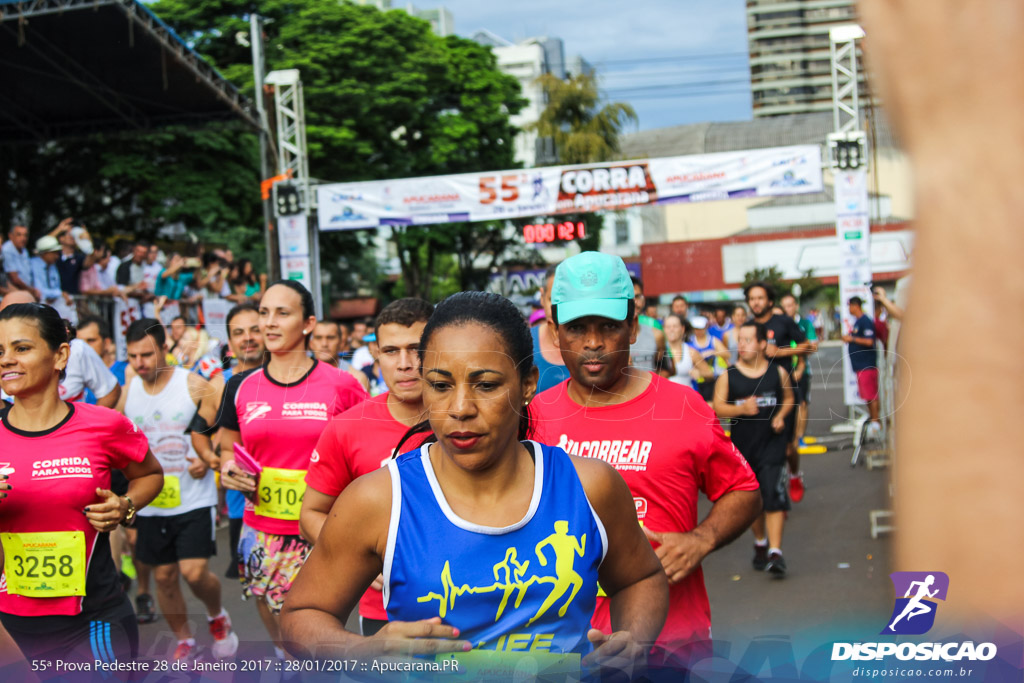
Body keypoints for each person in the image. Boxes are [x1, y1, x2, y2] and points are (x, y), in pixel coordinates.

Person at [281, 291, 668, 678]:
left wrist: (632, 642)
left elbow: (642, 578)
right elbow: (301, 615)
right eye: (440, 385)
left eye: (485, 384)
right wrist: (359, 651)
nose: (460, 408)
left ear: (528, 383)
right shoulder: (380, 500)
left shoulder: (589, 486)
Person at [531, 251, 762, 668]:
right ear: (554, 331)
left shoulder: (682, 406)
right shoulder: (531, 418)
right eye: (577, 328)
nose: (594, 342)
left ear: (634, 327)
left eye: (609, 326)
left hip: (672, 644)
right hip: (560, 648)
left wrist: (701, 539)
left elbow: (743, 489)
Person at [0, 303, 163, 664]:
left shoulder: (104, 425)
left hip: (94, 617)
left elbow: (151, 475)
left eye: (21, 348)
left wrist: (125, 505)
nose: (6, 359)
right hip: (9, 628)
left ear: (60, 355)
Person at [217, 280, 367, 667]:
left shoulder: (343, 386)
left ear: (308, 323)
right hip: (261, 529)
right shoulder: (241, 387)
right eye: (264, 312)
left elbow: (366, 454)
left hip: (322, 531)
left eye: (282, 313)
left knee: (319, 637)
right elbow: (227, 449)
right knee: (284, 638)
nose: (268, 322)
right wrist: (229, 470)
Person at [299, 298, 434, 637]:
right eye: (390, 351)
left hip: (475, 599)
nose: (404, 364)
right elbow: (311, 516)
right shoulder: (346, 428)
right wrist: (362, 556)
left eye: (416, 349)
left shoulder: (468, 418)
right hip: (384, 608)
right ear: (375, 353)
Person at [117, 318, 237, 660]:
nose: (139, 363)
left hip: (194, 496)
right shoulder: (130, 392)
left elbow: (220, 426)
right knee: (165, 578)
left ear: (165, 349)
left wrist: (207, 455)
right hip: (152, 501)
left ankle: (217, 616)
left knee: (193, 571)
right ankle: (185, 639)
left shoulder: (193, 384)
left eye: (147, 354)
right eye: (133, 356)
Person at [713, 322, 795, 577]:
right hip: (744, 448)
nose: (743, 345)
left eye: (749, 340)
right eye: (741, 339)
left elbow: (790, 399)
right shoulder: (729, 376)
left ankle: (776, 552)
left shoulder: (777, 373)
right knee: (755, 501)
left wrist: (781, 415)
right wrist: (740, 410)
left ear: (762, 344)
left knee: (773, 496)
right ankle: (760, 542)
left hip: (772, 444)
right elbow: (717, 408)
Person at [745, 282, 813, 497]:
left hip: (785, 392)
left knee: (788, 447)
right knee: (760, 445)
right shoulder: (748, 328)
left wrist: (780, 352)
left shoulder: (783, 321)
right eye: (752, 298)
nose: (756, 302)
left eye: (760, 298)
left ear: (770, 301)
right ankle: (773, 488)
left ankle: (793, 475)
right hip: (758, 393)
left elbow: (807, 346)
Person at [219, 302, 265, 580]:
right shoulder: (226, 384)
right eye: (239, 332)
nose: (247, 337)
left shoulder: (300, 377)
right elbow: (212, 440)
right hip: (246, 507)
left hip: (306, 509)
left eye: (254, 330)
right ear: (230, 342)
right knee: (259, 591)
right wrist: (223, 464)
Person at [779, 293, 818, 502]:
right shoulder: (776, 325)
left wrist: (801, 361)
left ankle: (799, 437)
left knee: (801, 403)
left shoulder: (804, 323)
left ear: (796, 305)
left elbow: (812, 345)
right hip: (780, 375)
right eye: (784, 305)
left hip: (800, 373)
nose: (788, 308)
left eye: (791, 304)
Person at [841, 296, 880, 438]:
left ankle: (876, 423)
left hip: (867, 365)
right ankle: (874, 421)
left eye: (850, 306)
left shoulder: (865, 321)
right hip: (860, 365)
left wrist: (852, 339)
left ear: (855, 306)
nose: (849, 309)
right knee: (868, 396)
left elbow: (870, 342)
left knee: (872, 395)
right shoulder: (858, 322)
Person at [532, 265, 570, 393]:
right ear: (542, 297)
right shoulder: (524, 343)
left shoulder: (593, 344)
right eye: (553, 299)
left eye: (566, 300)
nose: (558, 308)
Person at [309, 319, 371, 391]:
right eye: (318, 338)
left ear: (341, 342)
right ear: (311, 343)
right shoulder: (298, 376)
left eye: (330, 338)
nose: (324, 344)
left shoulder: (357, 378)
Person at [629, 277, 670, 376]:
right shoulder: (610, 338)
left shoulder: (657, 335)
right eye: (629, 297)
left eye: (638, 297)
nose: (635, 302)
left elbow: (666, 369)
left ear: (643, 300)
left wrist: (650, 385)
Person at [663, 314, 713, 387]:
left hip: (685, 396)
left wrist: (700, 373)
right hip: (664, 397)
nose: (671, 329)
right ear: (664, 329)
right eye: (668, 327)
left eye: (675, 326)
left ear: (682, 329)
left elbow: (710, 374)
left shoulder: (691, 352)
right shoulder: (658, 351)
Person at [687, 316, 729, 402]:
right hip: (695, 380)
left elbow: (727, 354)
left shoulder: (712, 340)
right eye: (696, 329)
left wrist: (712, 352)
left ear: (705, 328)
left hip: (713, 380)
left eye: (701, 329)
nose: (698, 331)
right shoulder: (689, 342)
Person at [29, 236, 73, 309]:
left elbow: (56, 285)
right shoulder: (34, 264)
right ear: (45, 253)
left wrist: (59, 294)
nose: (57, 256)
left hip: (52, 303)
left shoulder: (52, 266)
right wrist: (60, 293)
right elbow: (40, 290)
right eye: (54, 253)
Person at [2, 226, 38, 300]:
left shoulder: (24, 250)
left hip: (26, 290)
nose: (23, 238)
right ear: (10, 236)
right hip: (15, 292)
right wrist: (31, 291)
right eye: (19, 234)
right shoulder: (7, 250)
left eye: (25, 235)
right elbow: (14, 279)